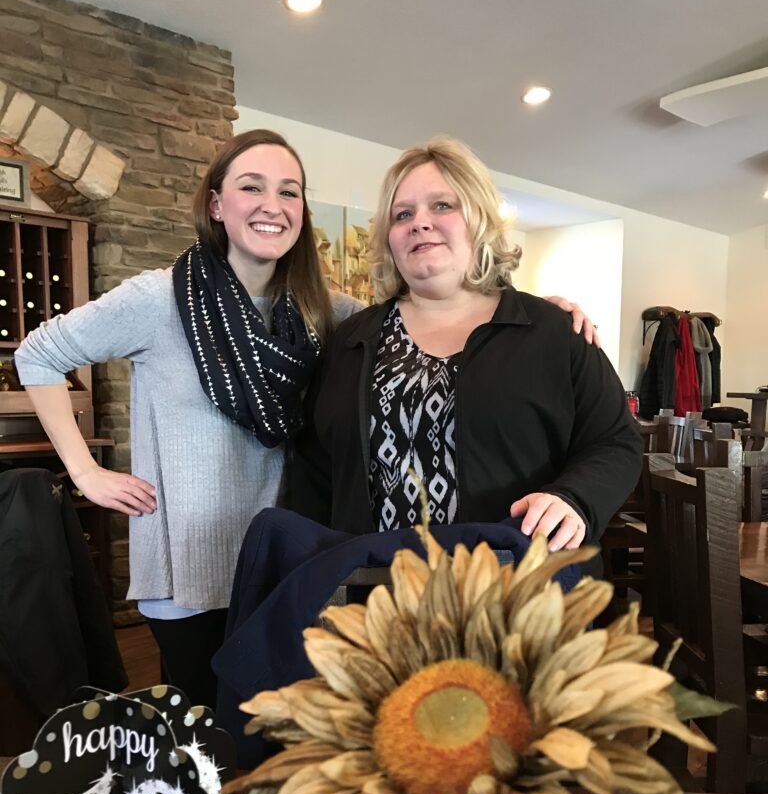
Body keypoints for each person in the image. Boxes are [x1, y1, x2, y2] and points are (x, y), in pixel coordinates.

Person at [15, 130, 598, 709]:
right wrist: (85, 471)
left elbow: (432, 313)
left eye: (289, 192)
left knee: (282, 734)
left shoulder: (326, 311)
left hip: (286, 564)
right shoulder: (159, 299)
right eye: (252, 187)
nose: (273, 204)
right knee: (210, 727)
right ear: (216, 204)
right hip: (194, 567)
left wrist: (531, 307)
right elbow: (36, 354)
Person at [289, 136, 642, 549]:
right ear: (389, 238)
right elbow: (314, 469)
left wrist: (575, 499)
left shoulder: (554, 332)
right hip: (381, 597)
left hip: (516, 591)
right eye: (403, 214)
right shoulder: (351, 341)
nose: (420, 222)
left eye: (442, 205)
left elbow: (616, 441)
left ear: (479, 219)